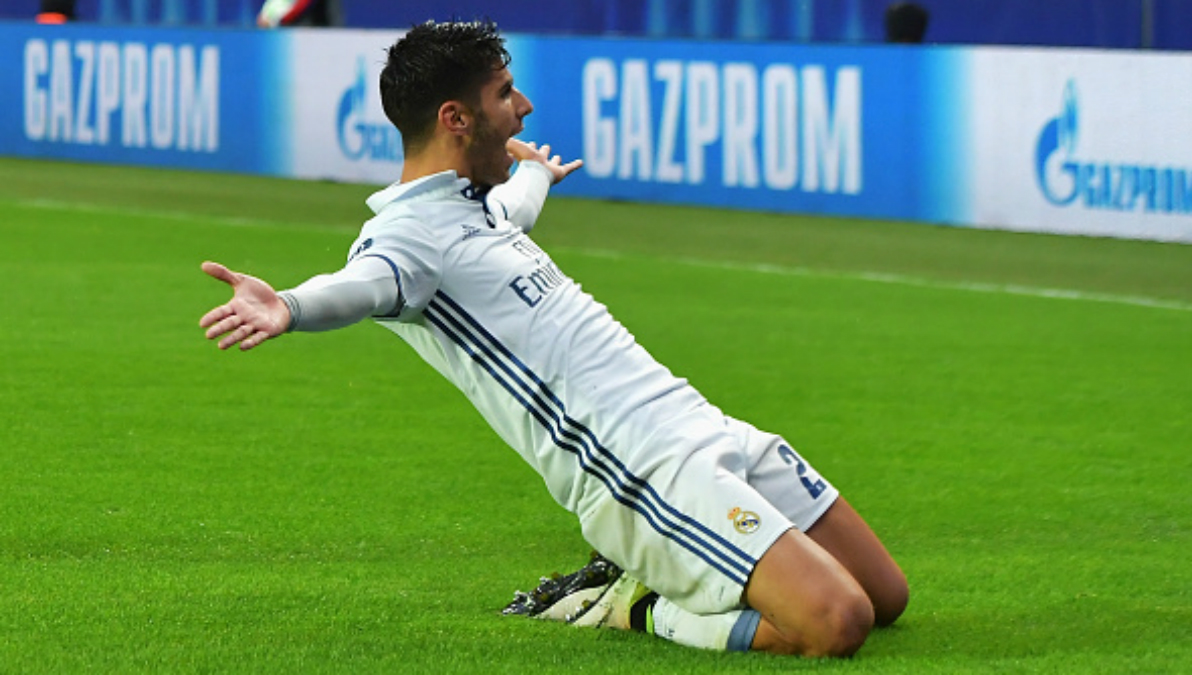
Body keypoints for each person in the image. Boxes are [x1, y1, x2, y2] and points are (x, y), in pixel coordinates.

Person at [199, 20, 908, 657]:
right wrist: (288, 304)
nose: (523, 105)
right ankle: (638, 605)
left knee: (885, 598)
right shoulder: (406, 241)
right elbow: (365, 282)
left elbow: (513, 209)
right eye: (505, 93)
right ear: (455, 116)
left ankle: (671, 577)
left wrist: (536, 172)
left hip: (697, 421)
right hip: (640, 473)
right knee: (835, 621)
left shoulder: (473, 212)